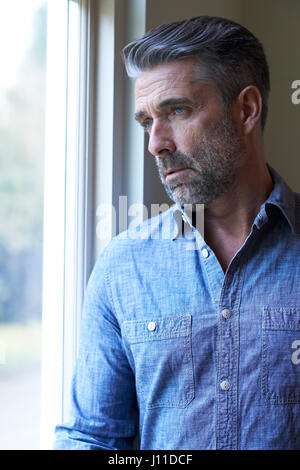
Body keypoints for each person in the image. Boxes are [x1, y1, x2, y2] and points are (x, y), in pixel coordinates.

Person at [54, 16, 300, 450]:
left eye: (177, 111)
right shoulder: (124, 266)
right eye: (147, 121)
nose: (156, 143)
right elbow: (91, 438)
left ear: (246, 110)